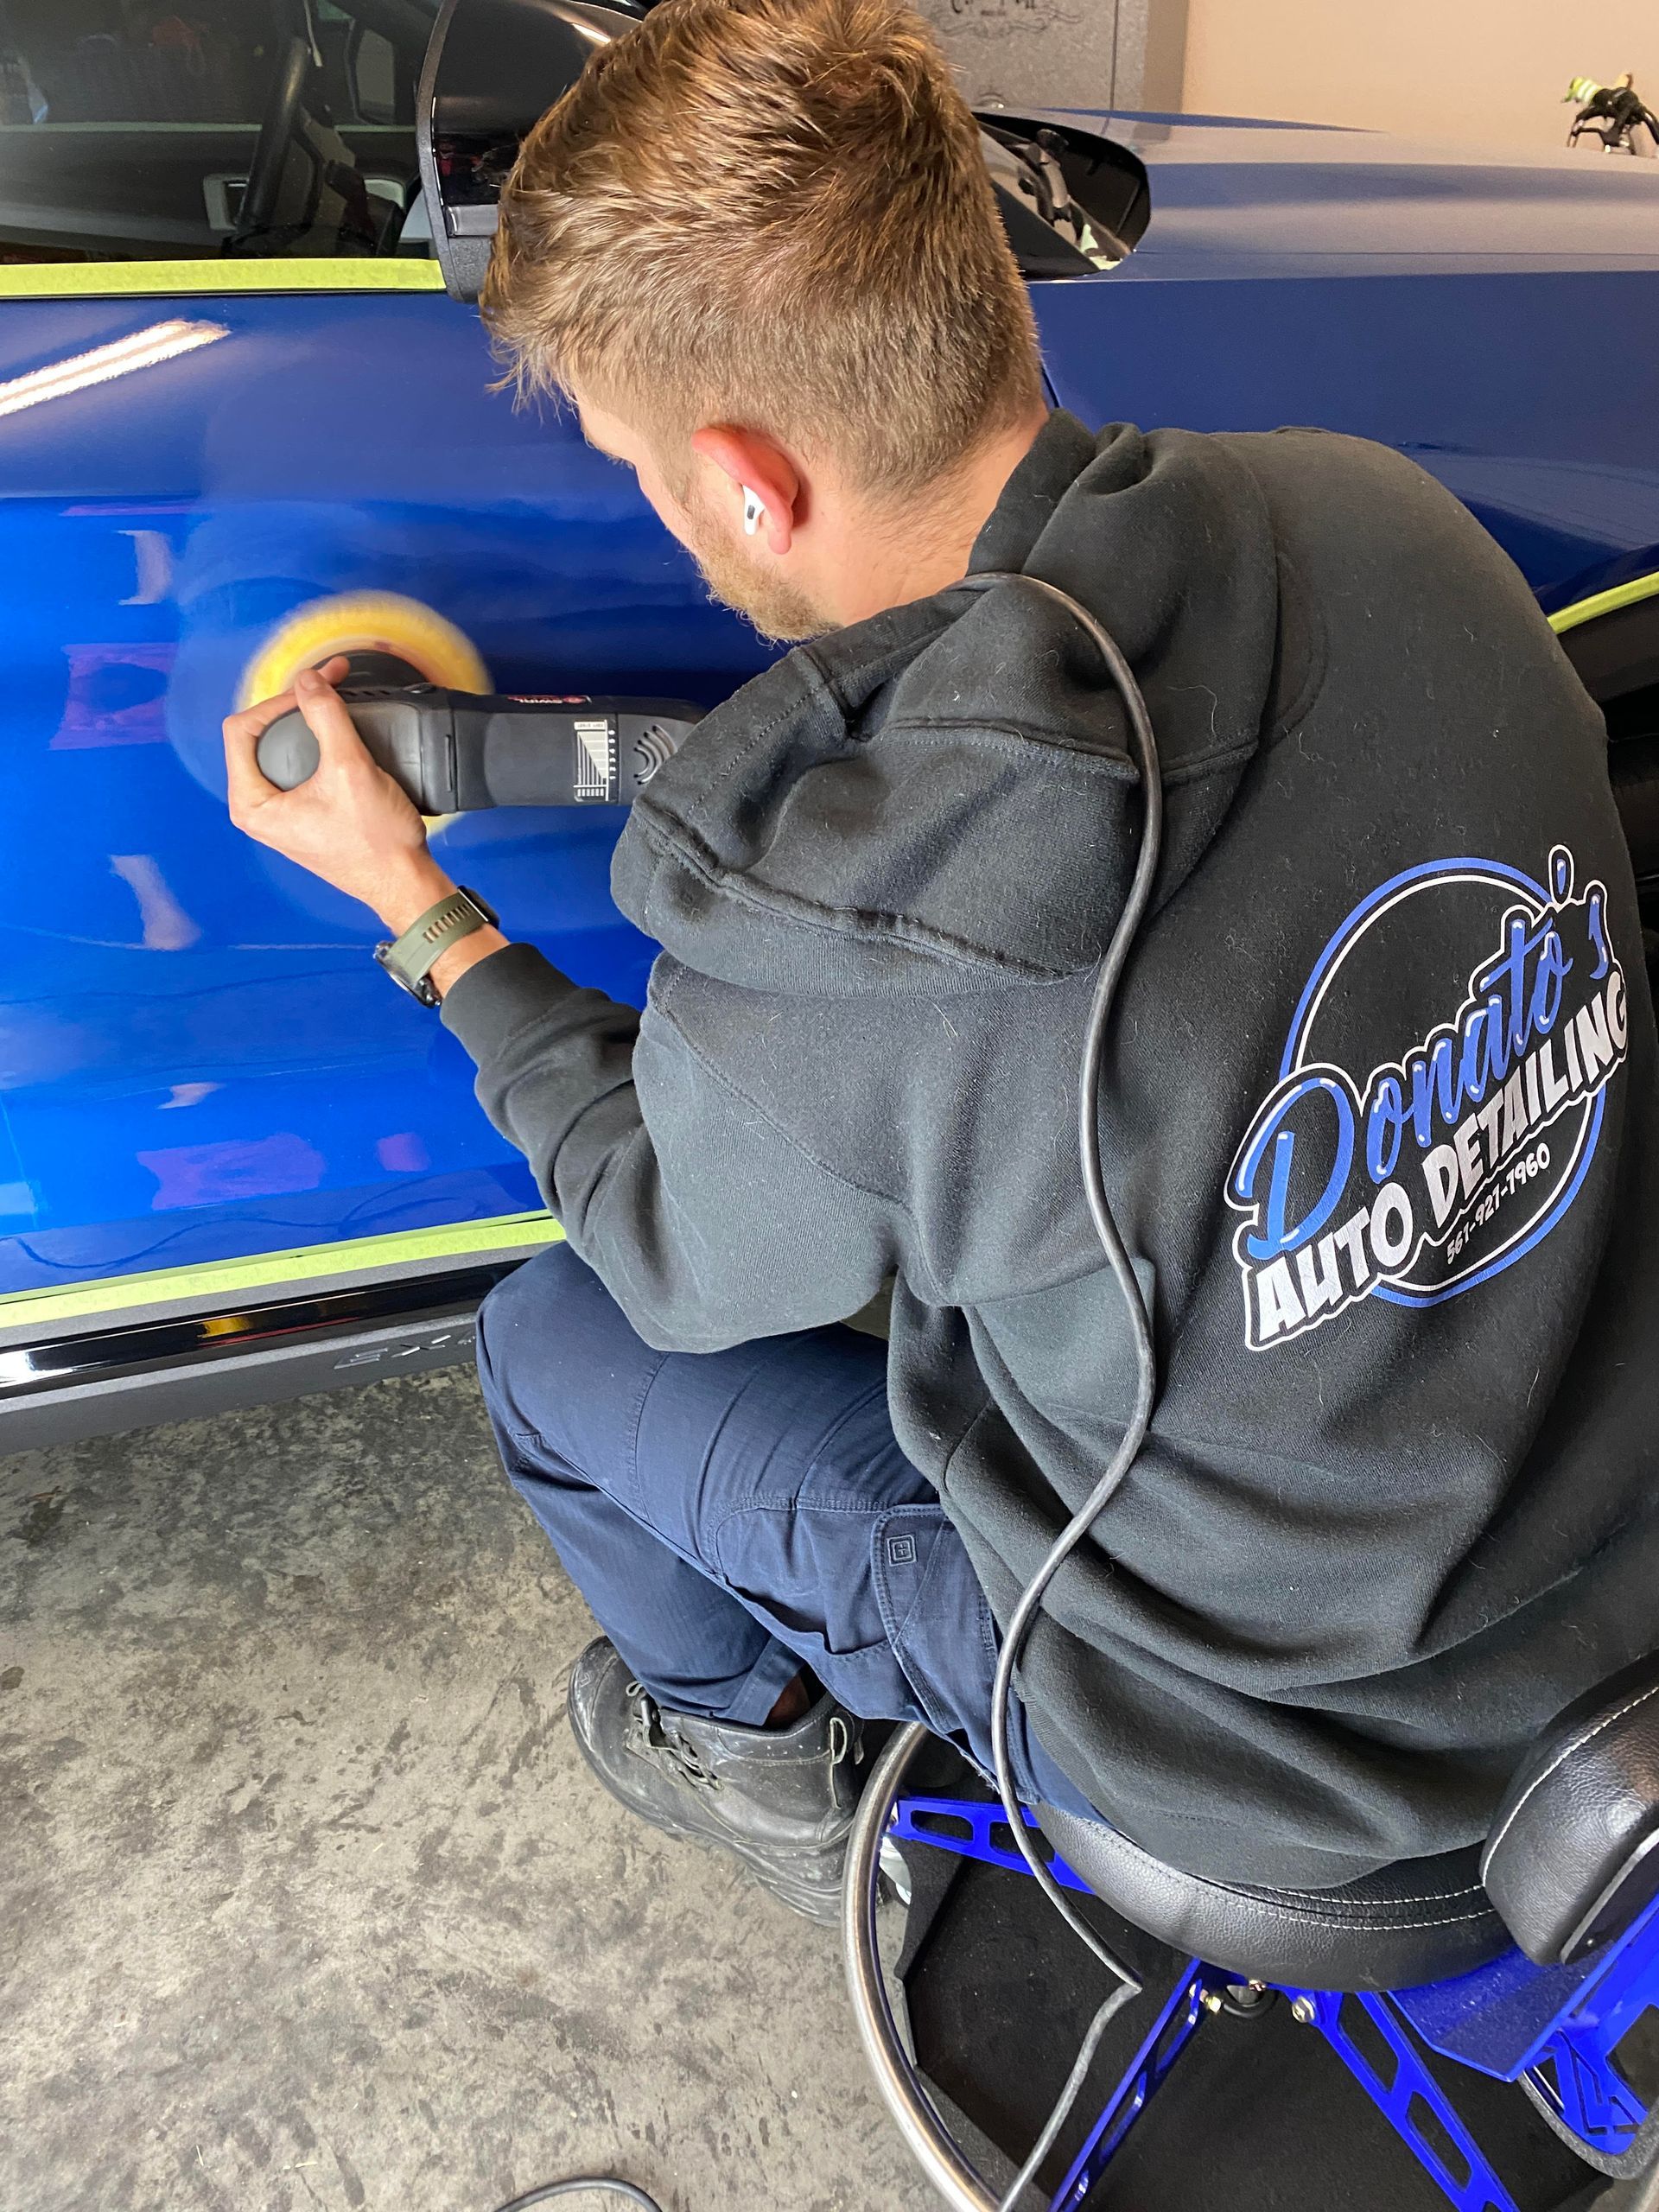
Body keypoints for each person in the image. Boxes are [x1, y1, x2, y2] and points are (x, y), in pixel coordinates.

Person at [224, 0, 1658, 1928]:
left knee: (553, 1348)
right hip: (1622, 1555)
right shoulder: (1389, 515)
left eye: (637, 462)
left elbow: (668, 1251)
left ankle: (753, 1755)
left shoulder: (839, 937)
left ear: (744, 483)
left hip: (1280, 1771)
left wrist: (424, 913)